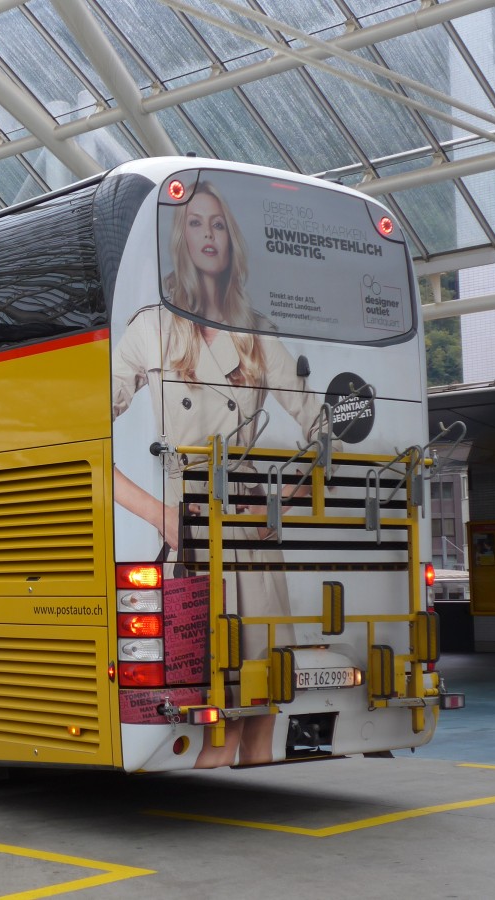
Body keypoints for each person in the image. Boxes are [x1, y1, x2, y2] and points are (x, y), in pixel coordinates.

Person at [112, 179, 325, 766]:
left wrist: (278, 503)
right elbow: (81, 433)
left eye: (220, 224)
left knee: (257, 704)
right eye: (197, 223)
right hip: (191, 526)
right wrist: (158, 513)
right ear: (181, 237)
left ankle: (253, 822)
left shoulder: (257, 333)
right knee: (206, 705)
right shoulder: (152, 327)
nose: (209, 234)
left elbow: (322, 429)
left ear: (231, 241)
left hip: (253, 537)